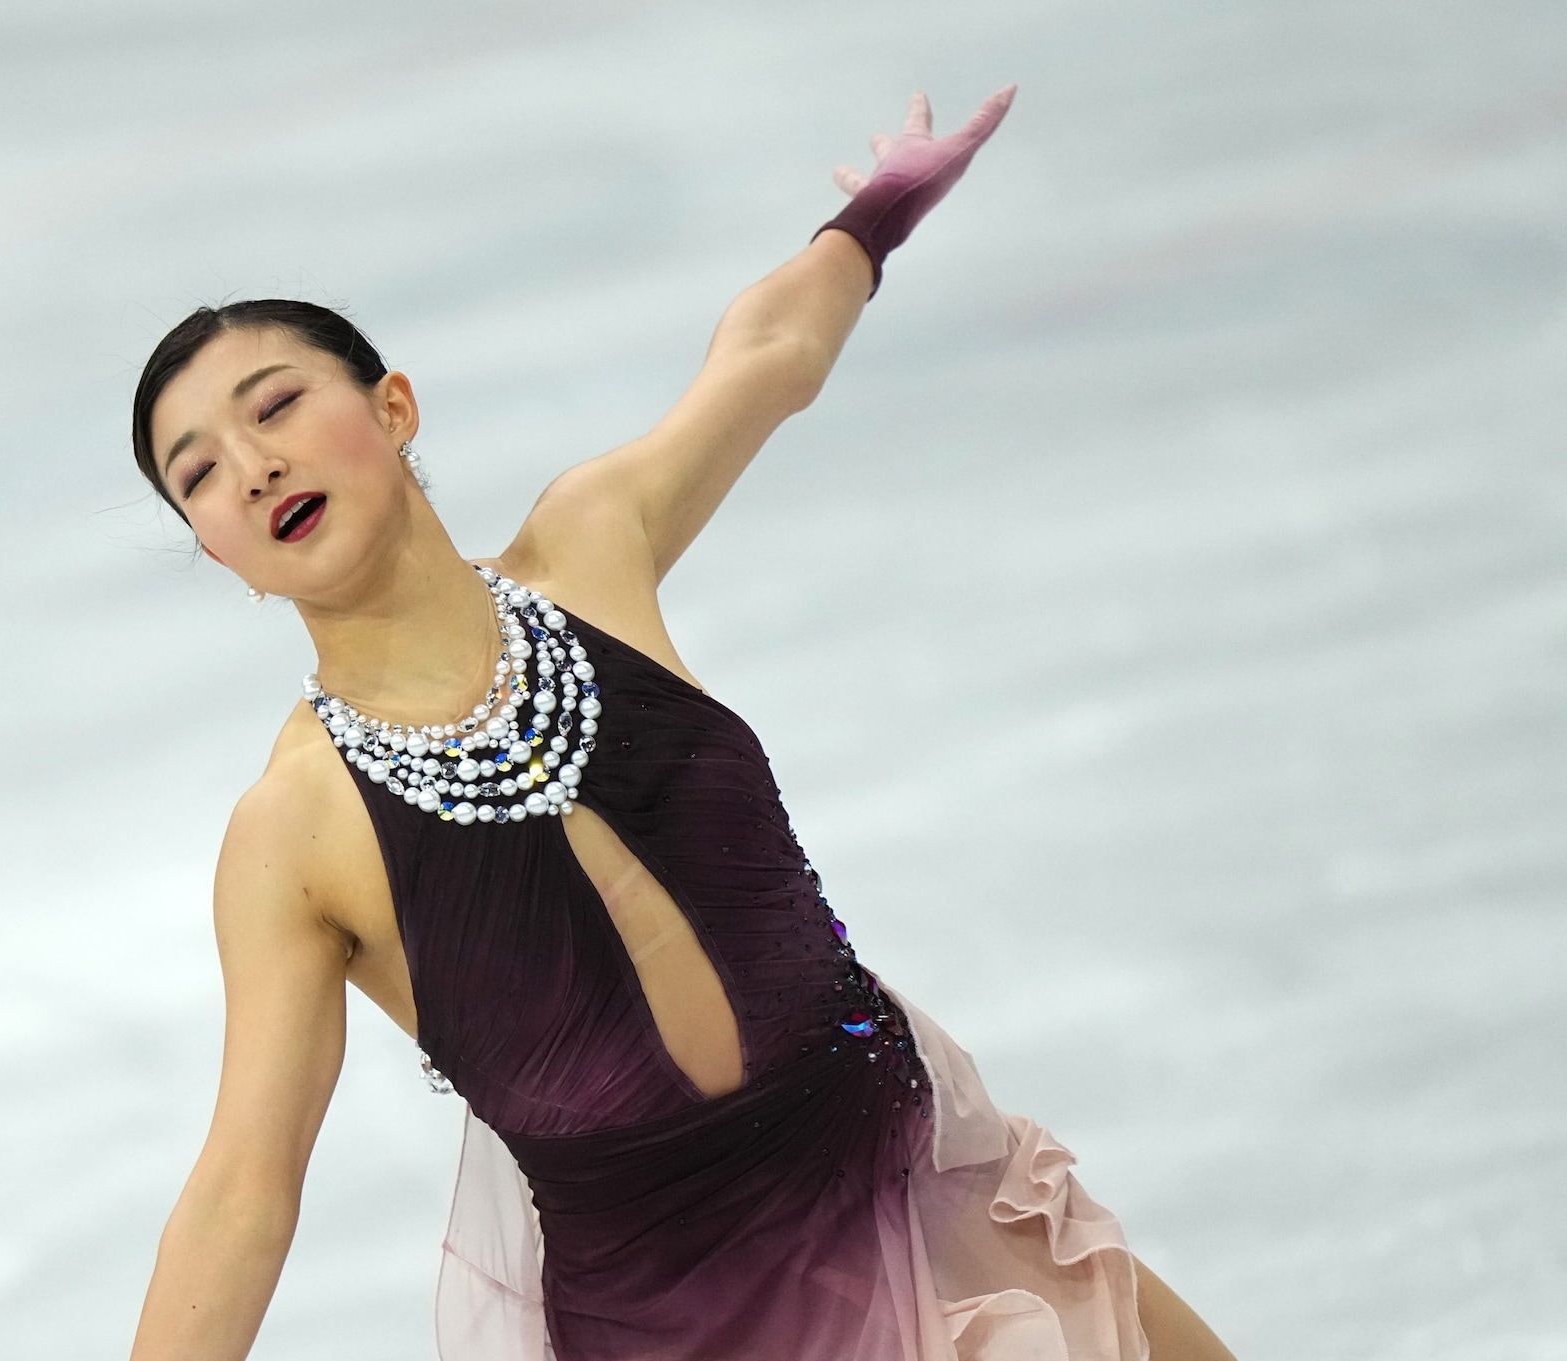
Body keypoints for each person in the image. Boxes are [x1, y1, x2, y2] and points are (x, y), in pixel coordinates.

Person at [124, 88, 1237, 1361]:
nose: (251, 465)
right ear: (221, 557)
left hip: (911, 1182)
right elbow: (240, 1189)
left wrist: (869, 221)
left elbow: (766, 357)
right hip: (685, 1327)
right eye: (198, 471)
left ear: (392, 408)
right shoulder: (294, 830)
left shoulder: (592, 545)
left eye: (272, 407)